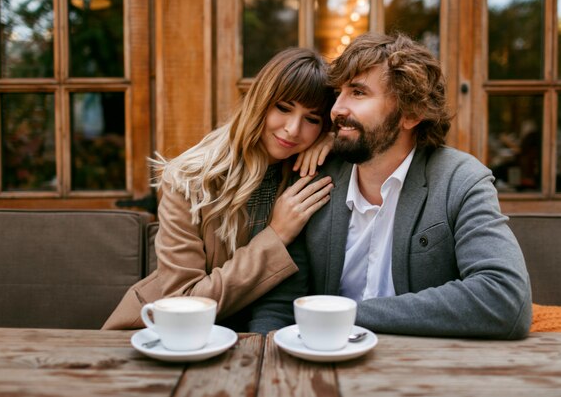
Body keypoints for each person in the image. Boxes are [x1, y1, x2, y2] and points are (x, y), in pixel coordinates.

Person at [250, 32, 532, 339]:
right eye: (338, 93)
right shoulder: (313, 179)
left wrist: (347, 314)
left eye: (357, 93)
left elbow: (506, 299)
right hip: (326, 367)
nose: (336, 110)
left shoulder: (459, 180)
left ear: (411, 113)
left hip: (423, 370)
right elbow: (278, 307)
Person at [103, 47, 335, 331]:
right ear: (260, 102)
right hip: (159, 333)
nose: (292, 129)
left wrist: (335, 141)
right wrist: (277, 235)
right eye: (283, 108)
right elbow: (184, 303)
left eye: (312, 119)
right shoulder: (189, 181)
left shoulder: (305, 173)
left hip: (252, 337)